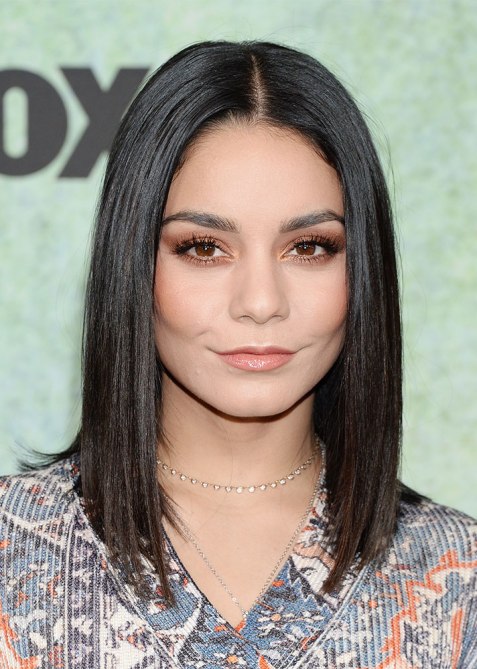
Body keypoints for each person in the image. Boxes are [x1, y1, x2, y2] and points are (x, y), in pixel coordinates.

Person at [0, 40, 475, 669]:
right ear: (133, 264)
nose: (260, 302)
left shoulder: (458, 577)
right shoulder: (11, 551)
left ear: (363, 269)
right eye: (204, 248)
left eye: (309, 247)